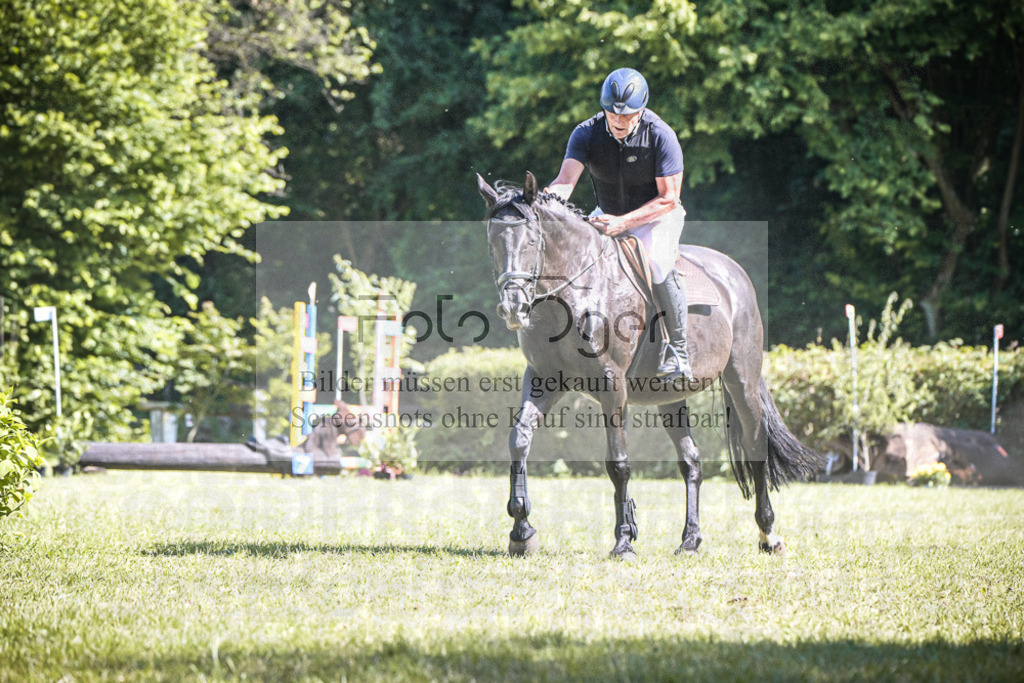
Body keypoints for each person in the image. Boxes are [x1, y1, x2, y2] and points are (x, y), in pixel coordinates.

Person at [545, 67, 692, 381]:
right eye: (613, 113)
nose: (619, 120)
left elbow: (669, 198)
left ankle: (678, 350)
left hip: (658, 217)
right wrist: (542, 201)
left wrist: (623, 222)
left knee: (656, 263)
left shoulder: (660, 134)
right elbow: (565, 181)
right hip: (608, 214)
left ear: (641, 110)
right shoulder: (586, 133)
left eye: (627, 115)